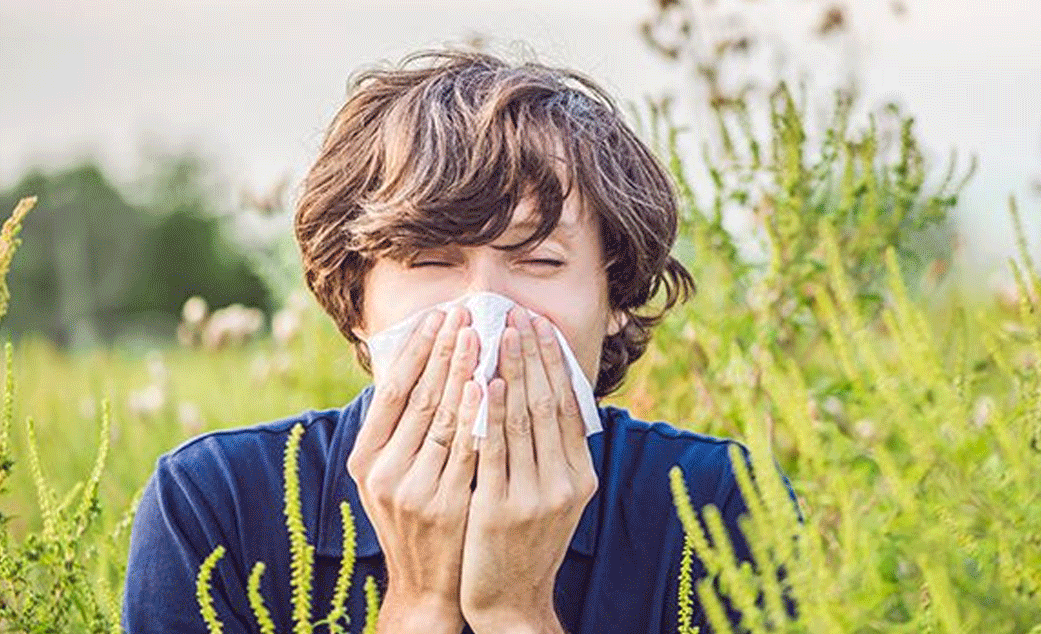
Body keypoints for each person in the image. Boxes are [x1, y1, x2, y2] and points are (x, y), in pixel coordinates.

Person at [122, 50, 796, 633]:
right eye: (431, 261)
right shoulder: (217, 507)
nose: (485, 310)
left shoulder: (720, 508)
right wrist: (419, 606)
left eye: (538, 261)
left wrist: (517, 614)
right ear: (355, 300)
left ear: (616, 298)